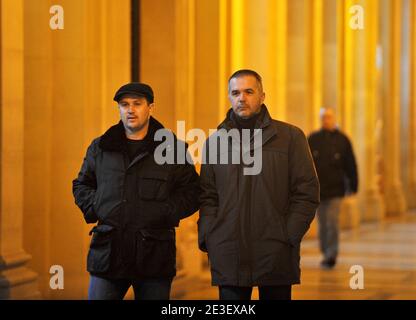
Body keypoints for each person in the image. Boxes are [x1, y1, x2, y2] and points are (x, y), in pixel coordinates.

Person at [197, 69, 320, 300]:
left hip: (275, 251)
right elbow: (208, 195)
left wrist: (289, 235)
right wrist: (209, 235)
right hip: (228, 251)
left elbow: (306, 192)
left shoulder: (290, 137)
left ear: (262, 96)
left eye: (248, 91)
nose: (241, 98)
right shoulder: (214, 143)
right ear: (229, 97)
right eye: (235, 92)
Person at [72, 82, 200, 300]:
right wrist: (97, 206)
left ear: (150, 107)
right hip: (109, 253)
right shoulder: (101, 146)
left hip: (154, 255)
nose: (130, 110)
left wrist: (166, 211)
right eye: (124, 104)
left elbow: (193, 191)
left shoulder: (172, 149)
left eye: (137, 104)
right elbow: (81, 184)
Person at [308, 107, 358, 269]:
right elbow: (306, 165)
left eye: (329, 117)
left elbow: (350, 163)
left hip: (336, 189)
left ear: (334, 118)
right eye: (323, 117)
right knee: (322, 222)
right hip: (319, 189)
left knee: (332, 222)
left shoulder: (343, 140)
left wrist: (353, 184)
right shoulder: (313, 139)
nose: (326, 120)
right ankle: (325, 251)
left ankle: (331, 254)